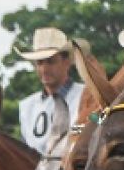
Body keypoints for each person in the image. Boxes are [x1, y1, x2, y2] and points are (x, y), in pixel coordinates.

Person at [15, 27, 85, 155]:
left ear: (67, 62)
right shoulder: (27, 106)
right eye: (39, 63)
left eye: (50, 62)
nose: (44, 69)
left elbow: (99, 123)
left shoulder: (86, 96)